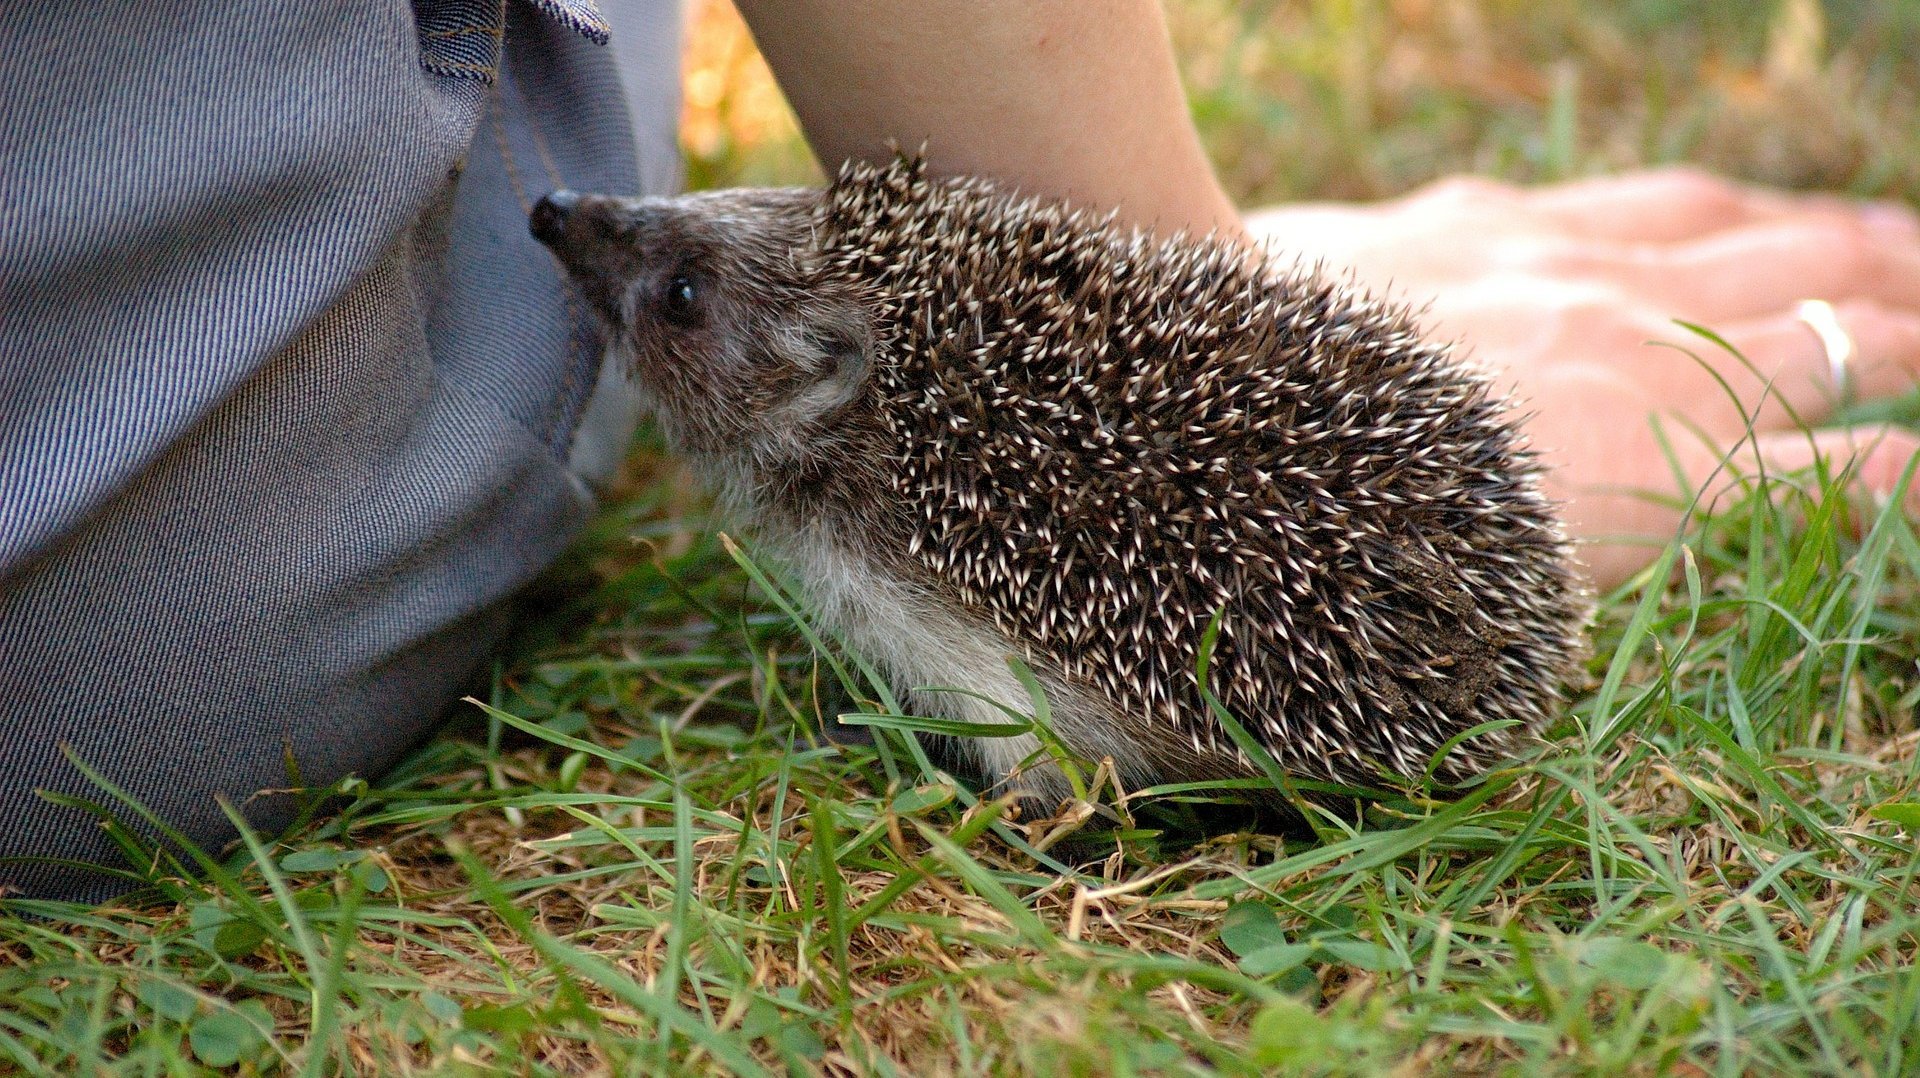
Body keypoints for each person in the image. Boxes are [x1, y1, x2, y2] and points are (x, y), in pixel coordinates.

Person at [3, 0, 1915, 904]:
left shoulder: (885, 532)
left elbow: (1029, 705)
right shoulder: (864, 445)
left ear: (822, 396)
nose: (587, 235)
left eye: (666, 299)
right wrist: (1157, 244)